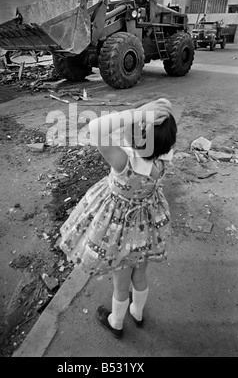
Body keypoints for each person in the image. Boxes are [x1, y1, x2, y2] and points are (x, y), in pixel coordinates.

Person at [60, 98, 177, 338]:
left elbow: (96, 128)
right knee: (140, 275)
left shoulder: (123, 160)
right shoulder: (163, 157)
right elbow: (158, 138)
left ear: (136, 136)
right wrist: (155, 116)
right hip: (146, 228)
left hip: (119, 233)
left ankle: (116, 321)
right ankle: (137, 313)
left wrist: (137, 112)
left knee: (121, 284)